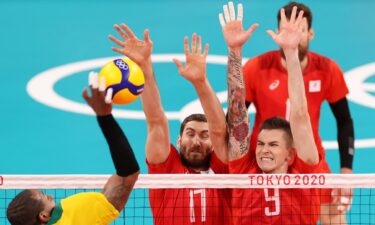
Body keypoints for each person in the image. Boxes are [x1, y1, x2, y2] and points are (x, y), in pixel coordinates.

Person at [242, 2, 354, 223]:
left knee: (335, 219)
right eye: (287, 30)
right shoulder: (256, 68)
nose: (293, 36)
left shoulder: (328, 69)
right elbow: (236, 120)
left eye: (299, 30)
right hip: (265, 159)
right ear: (277, 33)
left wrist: (346, 171)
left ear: (310, 33)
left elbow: (344, 121)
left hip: (308, 157)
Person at [109, 24, 231, 225]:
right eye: (190, 133)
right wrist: (144, 67)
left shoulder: (223, 171)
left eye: (204, 135)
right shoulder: (166, 169)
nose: (196, 141)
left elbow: (219, 130)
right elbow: (156, 121)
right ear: (179, 139)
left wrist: (201, 82)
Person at [220, 2, 320, 224]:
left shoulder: (303, 174)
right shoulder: (243, 170)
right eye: (262, 144)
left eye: (273, 145)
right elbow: (237, 115)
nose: (263, 150)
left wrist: (291, 53)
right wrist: (234, 52)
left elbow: (300, 115)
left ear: (290, 154)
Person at [6, 75, 140, 225]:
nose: (50, 196)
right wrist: (104, 117)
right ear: (43, 216)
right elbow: (127, 175)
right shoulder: (76, 215)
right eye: (44, 197)